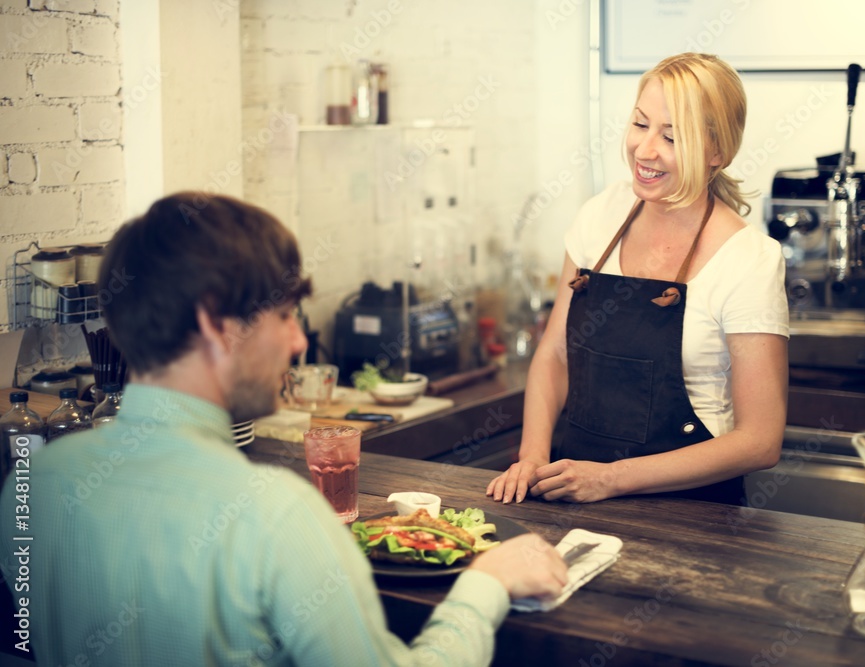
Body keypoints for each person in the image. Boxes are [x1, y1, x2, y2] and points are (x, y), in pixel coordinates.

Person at [0, 193, 567, 666]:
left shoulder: (37, 482)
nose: (299, 341)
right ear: (216, 323)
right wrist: (485, 584)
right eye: (285, 314)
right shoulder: (275, 513)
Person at [487, 53, 789, 507]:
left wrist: (612, 479)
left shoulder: (748, 259)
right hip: (573, 493)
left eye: (672, 136)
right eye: (640, 124)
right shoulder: (599, 216)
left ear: (718, 152)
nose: (645, 150)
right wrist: (533, 456)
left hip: (694, 515)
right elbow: (554, 354)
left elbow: (760, 440)